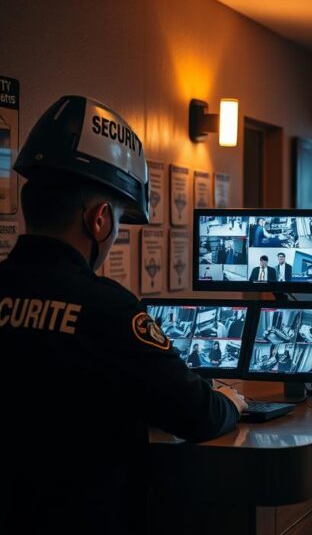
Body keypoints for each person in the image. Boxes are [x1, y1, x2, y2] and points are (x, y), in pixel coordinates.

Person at [0, 95, 248, 533]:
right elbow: (197, 414)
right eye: (117, 218)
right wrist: (228, 401)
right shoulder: (109, 310)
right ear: (99, 220)